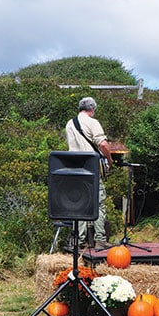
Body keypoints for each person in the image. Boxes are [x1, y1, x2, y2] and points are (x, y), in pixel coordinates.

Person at [65, 96, 114, 250]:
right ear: (92, 109)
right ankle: (100, 239)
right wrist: (109, 159)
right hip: (90, 167)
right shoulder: (93, 122)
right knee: (98, 202)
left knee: (78, 203)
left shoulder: (70, 123)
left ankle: (78, 241)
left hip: (74, 167)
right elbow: (103, 144)